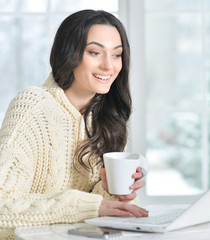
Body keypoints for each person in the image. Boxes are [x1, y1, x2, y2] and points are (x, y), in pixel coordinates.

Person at [0, 9, 149, 239]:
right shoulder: (32, 106)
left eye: (117, 55)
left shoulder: (108, 117)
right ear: (70, 53)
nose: (109, 66)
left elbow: (98, 212)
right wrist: (89, 206)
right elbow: (2, 205)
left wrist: (115, 193)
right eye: (95, 52)